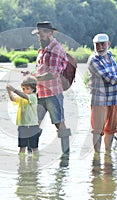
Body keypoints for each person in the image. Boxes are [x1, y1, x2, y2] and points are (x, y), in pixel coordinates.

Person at [87, 33, 117, 153]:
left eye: (102, 44)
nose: (100, 47)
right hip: (99, 101)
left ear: (108, 44)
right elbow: (110, 79)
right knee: (98, 130)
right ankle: (97, 156)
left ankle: (108, 154)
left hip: (114, 100)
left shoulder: (110, 55)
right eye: (97, 45)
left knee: (110, 129)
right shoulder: (93, 60)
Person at [29, 21, 71, 154]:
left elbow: (53, 74)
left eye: (42, 34)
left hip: (53, 93)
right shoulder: (42, 50)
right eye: (38, 35)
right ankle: (31, 154)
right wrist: (31, 75)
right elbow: (41, 70)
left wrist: (35, 79)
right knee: (34, 123)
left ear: (50, 33)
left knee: (59, 124)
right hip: (40, 93)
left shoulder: (56, 49)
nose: (40, 37)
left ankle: (66, 154)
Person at [6, 76, 41, 156]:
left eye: (27, 88)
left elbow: (24, 96)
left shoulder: (33, 97)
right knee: (22, 147)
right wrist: (9, 91)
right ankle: (21, 164)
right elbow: (13, 99)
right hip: (22, 126)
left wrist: (14, 90)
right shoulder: (22, 98)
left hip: (32, 126)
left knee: (34, 147)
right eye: (23, 89)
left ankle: (35, 163)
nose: (25, 91)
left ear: (33, 89)